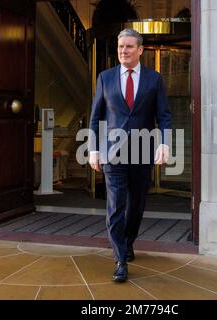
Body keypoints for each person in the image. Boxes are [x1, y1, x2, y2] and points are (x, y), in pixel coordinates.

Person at [88, 29, 172, 282]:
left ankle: (127, 241)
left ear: (140, 50)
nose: (123, 51)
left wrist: (165, 144)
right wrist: (93, 149)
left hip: (142, 152)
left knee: (136, 205)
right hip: (113, 153)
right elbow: (95, 117)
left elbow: (164, 116)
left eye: (128, 47)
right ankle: (119, 259)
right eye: (120, 47)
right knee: (116, 205)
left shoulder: (153, 79)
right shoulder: (105, 77)